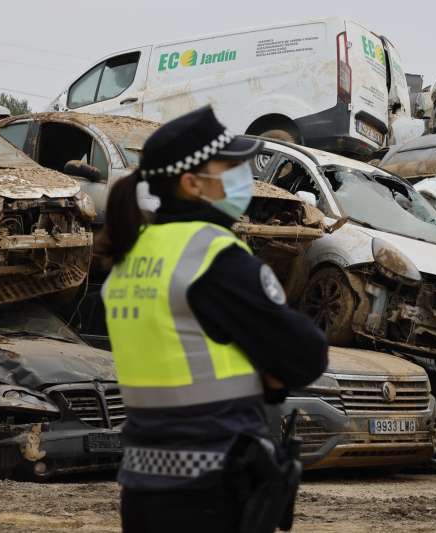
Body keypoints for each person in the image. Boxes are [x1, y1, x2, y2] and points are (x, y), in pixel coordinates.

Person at [99, 106, 328, 533]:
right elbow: (306, 354)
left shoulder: (131, 258)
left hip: (143, 485)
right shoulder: (211, 256)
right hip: (211, 486)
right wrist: (272, 377)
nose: (245, 175)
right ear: (191, 183)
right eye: (232, 166)